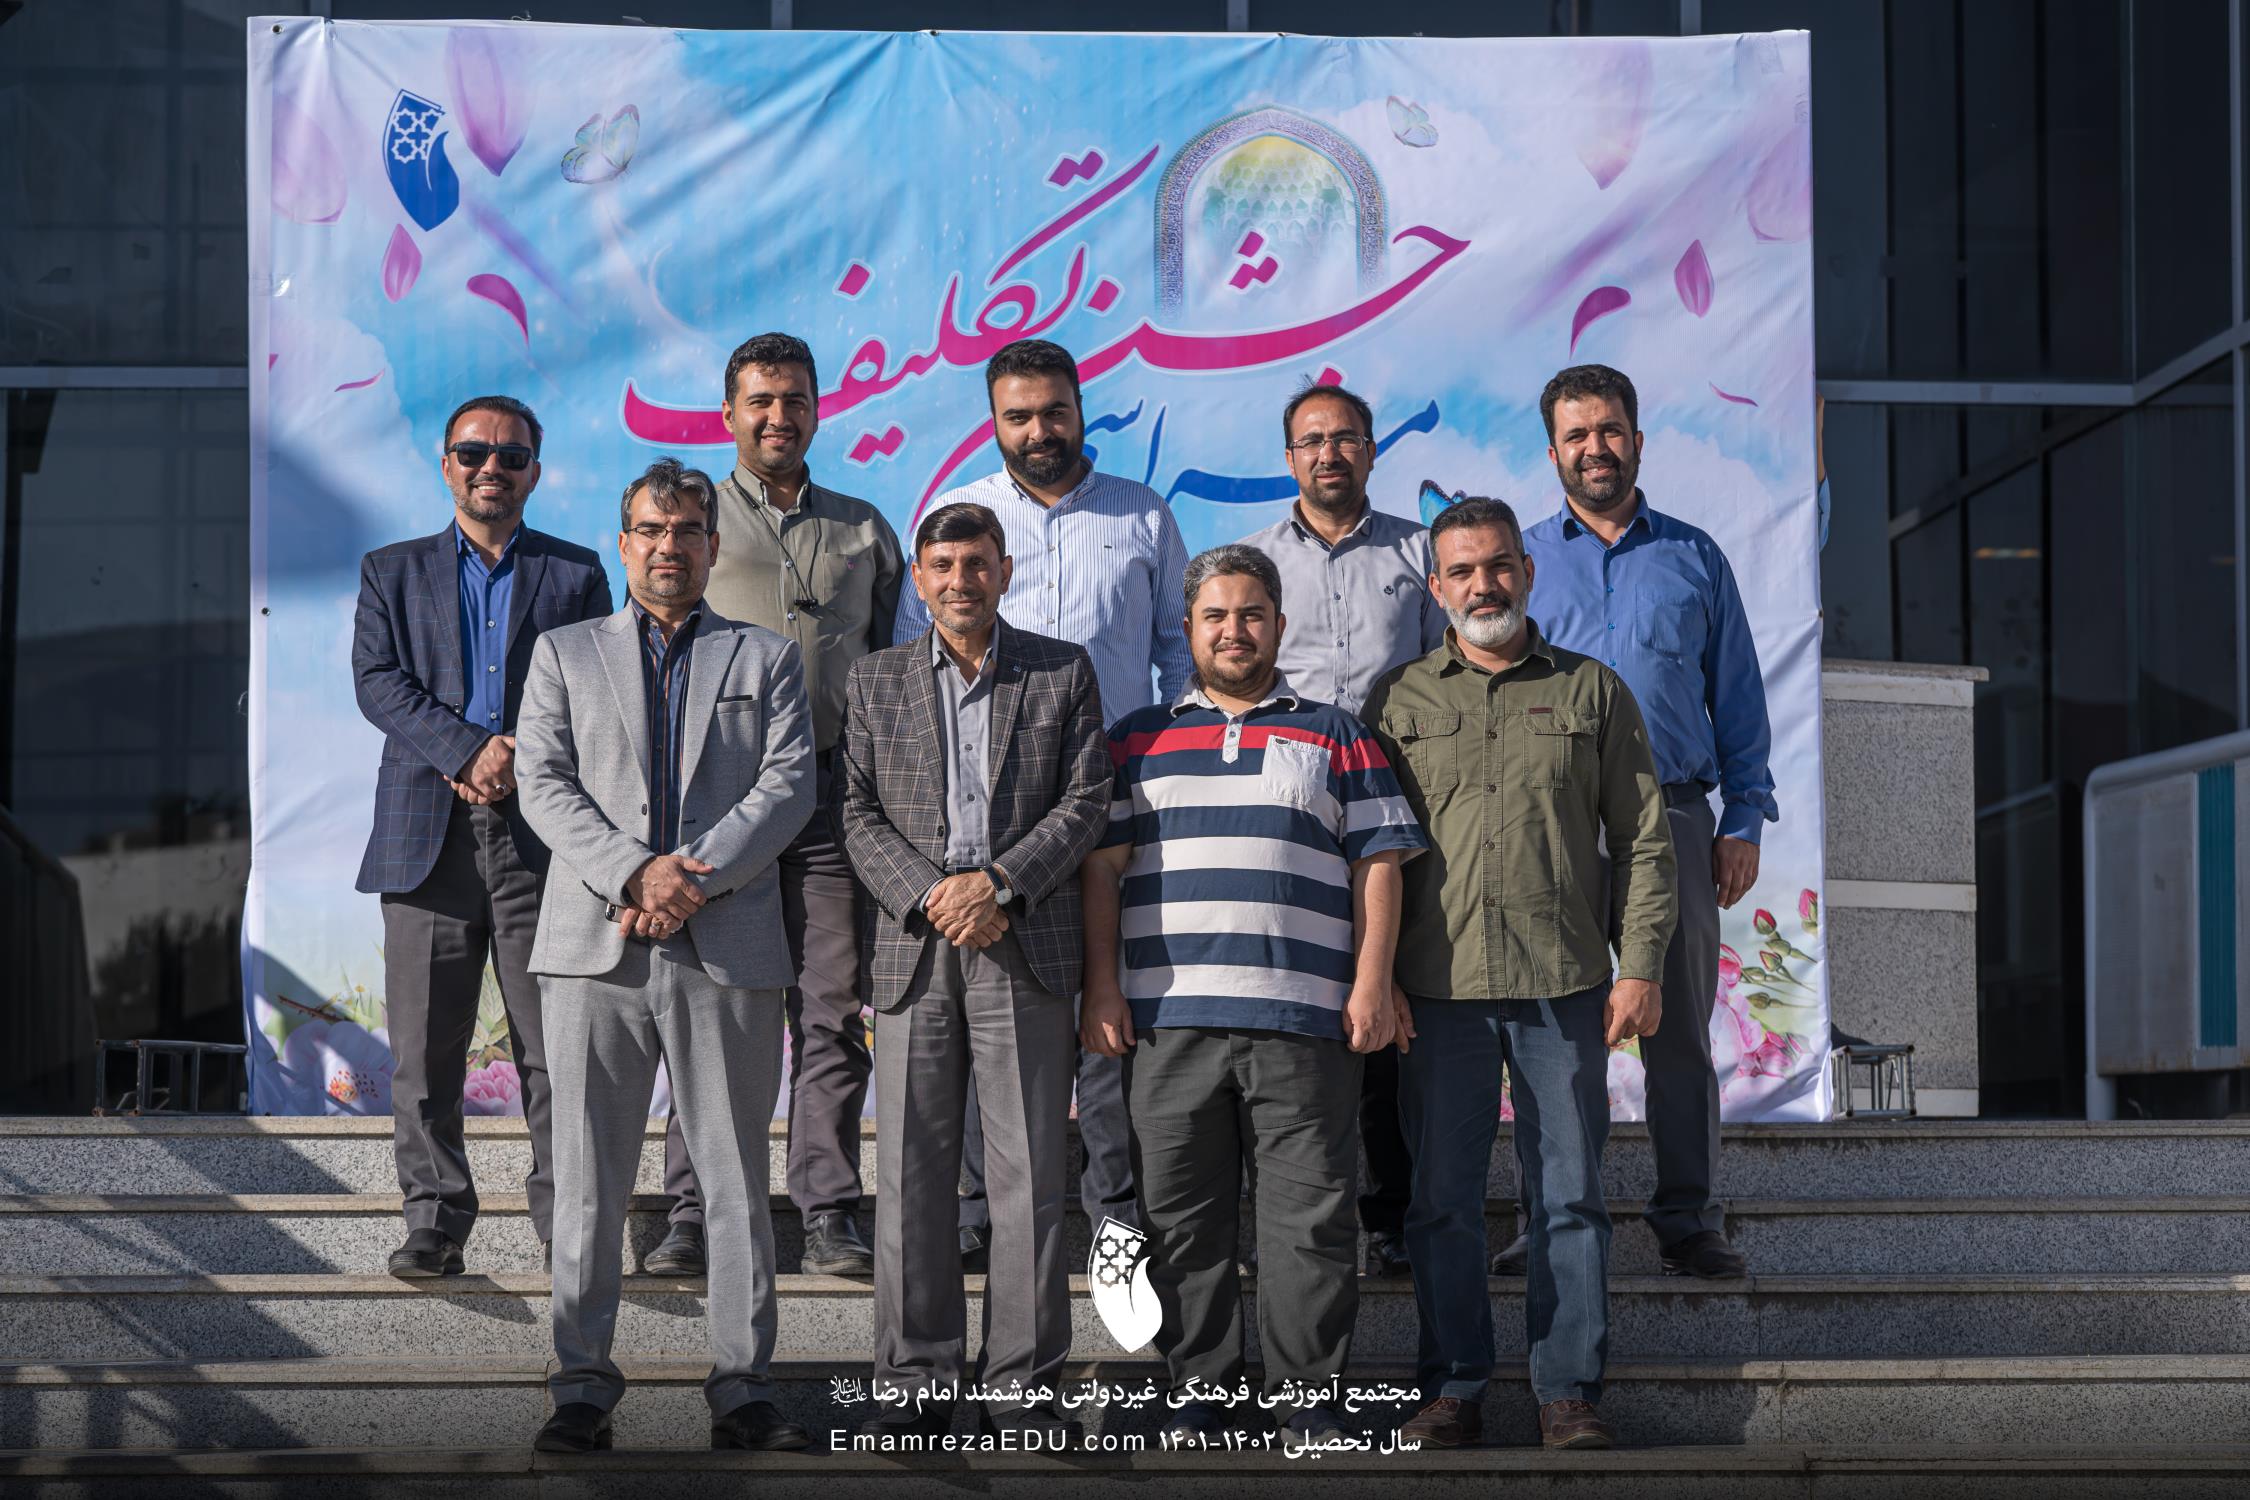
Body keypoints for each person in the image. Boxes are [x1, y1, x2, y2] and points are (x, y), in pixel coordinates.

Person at [1081, 543, 1426, 1449]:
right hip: (1167, 1021)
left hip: (1303, 1019)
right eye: (1215, 616)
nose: (1234, 631)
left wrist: (1372, 982)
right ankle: (1200, 1390)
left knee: (1309, 1218)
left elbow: (1379, 865)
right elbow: (1101, 873)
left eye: (1251, 615)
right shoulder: (1136, 739)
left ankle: (1307, 1397)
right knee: (1179, 1218)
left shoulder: (1338, 733)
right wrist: (1103, 988)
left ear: (1279, 624)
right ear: (1187, 629)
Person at [514, 459, 815, 1455]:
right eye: (651, 529)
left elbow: (789, 786)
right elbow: (543, 784)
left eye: (688, 530)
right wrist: (636, 873)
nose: (669, 546)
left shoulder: (766, 658)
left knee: (733, 1179)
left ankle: (743, 1386)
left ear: (713, 545)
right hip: (593, 949)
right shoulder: (563, 654)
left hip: (725, 945)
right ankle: (581, 1388)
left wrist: (694, 879)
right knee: (588, 1180)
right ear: (624, 541)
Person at [1365, 496, 1676, 1451]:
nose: (1483, 585)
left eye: (1498, 565)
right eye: (1461, 571)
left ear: (1528, 572)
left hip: (1564, 985)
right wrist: (1378, 977)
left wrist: (1641, 967)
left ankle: (1568, 1392)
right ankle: (1453, 1388)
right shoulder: (1396, 701)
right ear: (1437, 588)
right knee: (1441, 1201)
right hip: (1437, 991)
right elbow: (1368, 855)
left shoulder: (1593, 692)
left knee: (1569, 1197)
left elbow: (1645, 840)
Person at [894, 338, 1191, 1263]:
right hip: (987, 825)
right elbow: (916, 667)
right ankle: (978, 1216)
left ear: (1080, 409)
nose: (1038, 431)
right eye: (1018, 416)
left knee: (1106, 1012)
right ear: (994, 421)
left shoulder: (1142, 514)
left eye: (1053, 412)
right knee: (988, 1018)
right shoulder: (962, 519)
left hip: (1109, 810)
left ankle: (1113, 1219)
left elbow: (1177, 653)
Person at [842, 501, 1111, 1443]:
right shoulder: (875, 679)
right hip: (916, 947)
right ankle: (915, 1381)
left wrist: (997, 884)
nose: (961, 580)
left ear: (1005, 571)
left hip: (1020, 938)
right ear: (919, 579)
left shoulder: (1061, 670)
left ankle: (1022, 1386)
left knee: (1028, 1175)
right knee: (911, 1175)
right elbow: (855, 812)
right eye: (944, 565)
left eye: (978, 563)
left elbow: (1086, 799)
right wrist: (932, 894)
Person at [648, 332, 905, 1281]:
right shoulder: (692, 522)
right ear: (729, 414)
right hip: (722, 801)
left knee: (832, 1007)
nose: (778, 417)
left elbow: (892, 670)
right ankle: (694, 1211)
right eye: (759, 400)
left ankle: (828, 1210)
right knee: (714, 1008)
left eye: (794, 399)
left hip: (834, 802)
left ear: (817, 409)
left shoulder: (864, 528)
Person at [1514, 363, 1776, 1282]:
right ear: (1553, 451)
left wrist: (1744, 817)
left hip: (1674, 820)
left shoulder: (1694, 558)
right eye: (1577, 435)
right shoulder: (1521, 565)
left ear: (1636, 438)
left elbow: (1737, 695)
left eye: (1610, 430)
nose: (1596, 448)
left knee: (1679, 1030)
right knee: (1553, 1033)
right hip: (1551, 828)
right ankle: (1551, 1217)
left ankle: (1687, 1218)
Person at [350, 394, 610, 1279]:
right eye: (473, 453)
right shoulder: (391, 571)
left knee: (555, 1049)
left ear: (535, 471)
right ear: (446, 463)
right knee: (425, 1053)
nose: (490, 467)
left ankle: (566, 1226)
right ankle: (433, 1222)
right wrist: (466, 749)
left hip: (546, 840)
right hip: (426, 835)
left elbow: (594, 691)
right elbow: (377, 681)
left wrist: (514, 757)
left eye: (510, 456)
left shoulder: (575, 574)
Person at [1233, 381, 1445, 1280]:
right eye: (1312, 441)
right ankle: (1276, 1220)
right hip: (1291, 814)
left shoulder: (1419, 552)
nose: (1329, 453)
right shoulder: (1253, 559)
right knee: (1291, 1014)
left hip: (1403, 810)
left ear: (1371, 449)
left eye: (1346, 437)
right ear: (1290, 459)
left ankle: (1393, 1214)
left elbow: (1449, 667)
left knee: (1390, 1009)